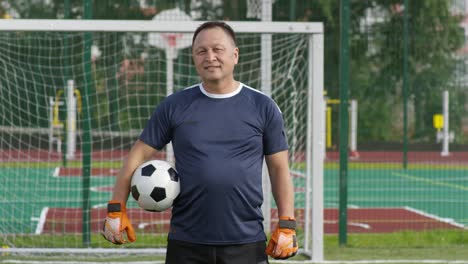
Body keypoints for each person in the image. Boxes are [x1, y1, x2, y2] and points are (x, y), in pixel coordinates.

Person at [102, 21, 298, 263]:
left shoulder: (263, 107)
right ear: (194, 57)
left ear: (235, 55)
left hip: (246, 240)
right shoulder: (174, 106)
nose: (210, 57)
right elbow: (137, 155)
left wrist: (287, 223)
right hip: (187, 241)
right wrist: (116, 207)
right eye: (202, 51)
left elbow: (279, 168)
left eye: (218, 49)